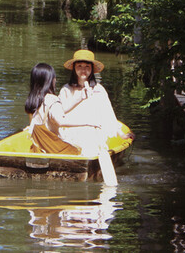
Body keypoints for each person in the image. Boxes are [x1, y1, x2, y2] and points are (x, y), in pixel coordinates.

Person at [50, 49, 128, 185]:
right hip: (71, 131)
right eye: (79, 66)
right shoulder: (66, 90)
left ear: (92, 69)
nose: (83, 70)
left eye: (87, 67)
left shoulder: (99, 90)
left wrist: (120, 133)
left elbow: (108, 115)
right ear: (74, 68)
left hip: (93, 132)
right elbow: (59, 114)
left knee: (94, 141)